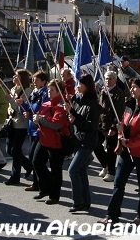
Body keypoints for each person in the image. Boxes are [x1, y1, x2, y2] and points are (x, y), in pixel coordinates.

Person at [99, 75, 140, 225]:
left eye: (135, 87)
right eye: (131, 86)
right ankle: (112, 215)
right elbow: (124, 125)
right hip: (127, 151)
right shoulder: (129, 105)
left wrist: (128, 142)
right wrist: (121, 130)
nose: (131, 89)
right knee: (118, 183)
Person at [32, 79, 70, 206]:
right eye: (48, 89)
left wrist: (41, 119)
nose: (49, 91)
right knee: (36, 162)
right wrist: (36, 119)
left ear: (58, 91)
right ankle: (44, 188)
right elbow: (39, 117)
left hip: (56, 143)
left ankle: (54, 195)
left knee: (56, 170)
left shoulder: (61, 105)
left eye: (52, 89)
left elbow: (56, 124)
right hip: (43, 139)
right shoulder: (46, 103)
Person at [65, 74, 100, 212]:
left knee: (72, 170)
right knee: (81, 171)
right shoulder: (79, 100)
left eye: (80, 84)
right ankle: (85, 201)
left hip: (88, 141)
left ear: (87, 86)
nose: (77, 86)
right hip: (78, 139)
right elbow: (77, 116)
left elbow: (92, 125)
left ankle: (77, 201)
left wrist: (75, 120)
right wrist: (70, 109)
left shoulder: (92, 103)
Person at [94, 70, 125, 183]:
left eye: (110, 78)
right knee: (95, 144)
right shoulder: (103, 91)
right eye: (106, 78)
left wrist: (113, 127)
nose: (107, 80)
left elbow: (119, 112)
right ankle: (105, 165)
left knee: (111, 150)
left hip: (110, 125)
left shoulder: (118, 93)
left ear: (115, 80)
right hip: (100, 124)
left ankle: (112, 172)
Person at [3, 69, 32, 186]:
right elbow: (11, 108)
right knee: (9, 149)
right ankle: (28, 164)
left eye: (17, 76)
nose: (14, 77)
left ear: (22, 78)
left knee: (15, 149)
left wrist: (11, 101)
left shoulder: (27, 91)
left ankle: (15, 176)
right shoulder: (13, 89)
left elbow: (21, 109)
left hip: (21, 124)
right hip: (12, 123)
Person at [23, 70, 49, 192]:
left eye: (37, 80)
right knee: (33, 157)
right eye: (33, 80)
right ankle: (37, 183)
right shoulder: (34, 92)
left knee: (35, 158)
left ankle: (40, 183)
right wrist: (21, 105)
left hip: (39, 129)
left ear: (43, 81)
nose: (34, 82)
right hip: (31, 127)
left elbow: (44, 108)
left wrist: (37, 115)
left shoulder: (45, 93)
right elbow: (28, 107)